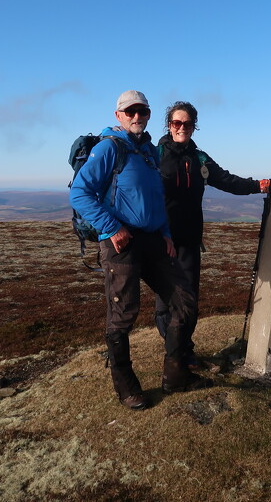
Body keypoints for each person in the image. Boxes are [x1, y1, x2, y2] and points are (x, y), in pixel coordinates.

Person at [69, 90, 208, 410]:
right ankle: (126, 385)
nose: (136, 116)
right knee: (123, 315)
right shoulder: (109, 148)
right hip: (121, 242)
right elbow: (80, 193)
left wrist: (165, 232)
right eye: (129, 112)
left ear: (147, 115)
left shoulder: (148, 150)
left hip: (154, 240)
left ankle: (175, 375)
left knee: (184, 301)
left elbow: (154, 197)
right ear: (118, 115)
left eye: (141, 111)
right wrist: (113, 227)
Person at [154, 101, 271, 367]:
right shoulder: (156, 153)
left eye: (187, 123)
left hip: (190, 240)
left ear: (194, 126)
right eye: (176, 123)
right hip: (162, 239)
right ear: (169, 125)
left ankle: (184, 349)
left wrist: (264, 185)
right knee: (165, 300)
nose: (182, 128)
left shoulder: (200, 158)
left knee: (189, 299)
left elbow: (228, 181)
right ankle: (176, 351)